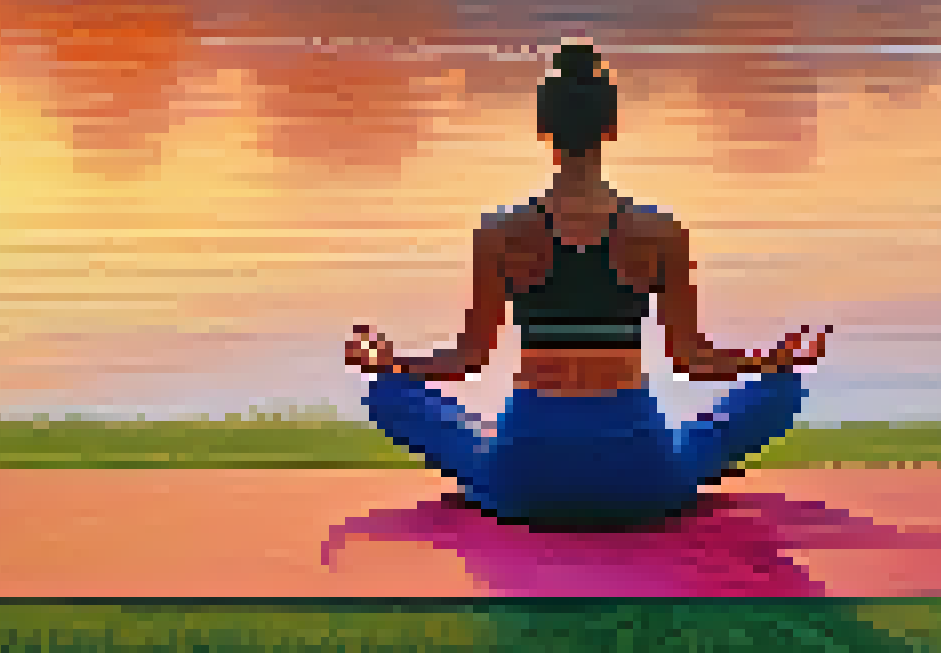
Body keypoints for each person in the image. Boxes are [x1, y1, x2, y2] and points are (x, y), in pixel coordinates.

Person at [345, 41, 830, 528]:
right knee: (779, 392)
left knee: (388, 396)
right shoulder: (659, 231)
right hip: (640, 478)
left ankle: (496, 450)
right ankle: (657, 456)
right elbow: (692, 360)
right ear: (610, 129)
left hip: (527, 477)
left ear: (544, 130)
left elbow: (467, 360)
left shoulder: (500, 232)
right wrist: (769, 361)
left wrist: (394, 364)